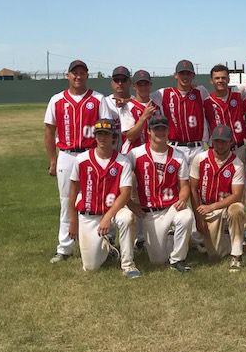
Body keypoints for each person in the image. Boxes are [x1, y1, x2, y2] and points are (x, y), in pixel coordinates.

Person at [44, 59, 110, 263]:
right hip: (66, 153)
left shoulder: (98, 99)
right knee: (67, 201)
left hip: (91, 154)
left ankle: (104, 245)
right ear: (68, 75)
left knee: (98, 199)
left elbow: (107, 129)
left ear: (87, 76)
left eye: (82, 73)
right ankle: (64, 247)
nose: (78, 76)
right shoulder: (57, 99)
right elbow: (49, 130)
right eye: (74, 73)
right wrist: (53, 161)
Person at [67, 119, 141, 278]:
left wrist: (108, 216)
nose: (102, 138)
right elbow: (73, 192)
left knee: (127, 217)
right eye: (99, 134)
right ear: (94, 136)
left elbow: (125, 193)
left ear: (113, 137)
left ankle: (128, 264)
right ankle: (108, 250)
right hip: (89, 215)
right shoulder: (81, 160)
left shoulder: (122, 161)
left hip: (112, 212)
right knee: (91, 267)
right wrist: (73, 221)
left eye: (106, 134)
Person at [126, 116, 195, 273]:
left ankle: (178, 259)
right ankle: (172, 237)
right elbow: (121, 180)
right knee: (157, 260)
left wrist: (183, 198)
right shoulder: (136, 154)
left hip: (170, 207)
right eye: (156, 129)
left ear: (168, 131)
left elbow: (185, 185)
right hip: (149, 212)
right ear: (149, 131)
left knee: (186, 216)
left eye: (163, 129)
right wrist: (130, 204)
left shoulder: (178, 155)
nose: (160, 132)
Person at [190, 125, 246, 272]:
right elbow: (193, 189)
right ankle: (229, 238)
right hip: (206, 209)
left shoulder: (237, 164)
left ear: (230, 143)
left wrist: (213, 206)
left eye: (224, 142)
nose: (220, 145)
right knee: (215, 256)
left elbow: (237, 195)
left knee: (237, 209)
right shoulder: (200, 158)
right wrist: (198, 217)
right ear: (212, 141)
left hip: (225, 206)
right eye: (217, 141)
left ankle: (236, 254)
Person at [150, 59, 209, 164]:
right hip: (175, 147)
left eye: (188, 73)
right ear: (175, 75)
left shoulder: (201, 91)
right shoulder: (164, 93)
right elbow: (143, 98)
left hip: (197, 148)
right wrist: (126, 99)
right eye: (182, 73)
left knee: (198, 180)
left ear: (193, 75)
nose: (185, 76)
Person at [203, 64, 246, 165]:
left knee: (240, 180)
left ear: (228, 79)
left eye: (223, 77)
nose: (220, 80)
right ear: (211, 80)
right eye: (217, 78)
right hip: (218, 151)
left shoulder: (238, 93)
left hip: (238, 149)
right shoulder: (206, 102)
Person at [119, 69, 160, 154]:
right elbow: (130, 136)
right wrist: (144, 117)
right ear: (134, 86)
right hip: (132, 153)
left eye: (146, 84)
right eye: (139, 85)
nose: (143, 87)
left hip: (153, 153)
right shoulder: (127, 107)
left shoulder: (157, 105)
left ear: (150, 85)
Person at [101, 66, 133, 151]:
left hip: (132, 154)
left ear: (130, 82)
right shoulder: (103, 102)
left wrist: (129, 102)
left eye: (123, 80)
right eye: (116, 80)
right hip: (110, 154)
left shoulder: (136, 103)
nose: (120, 83)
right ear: (112, 83)